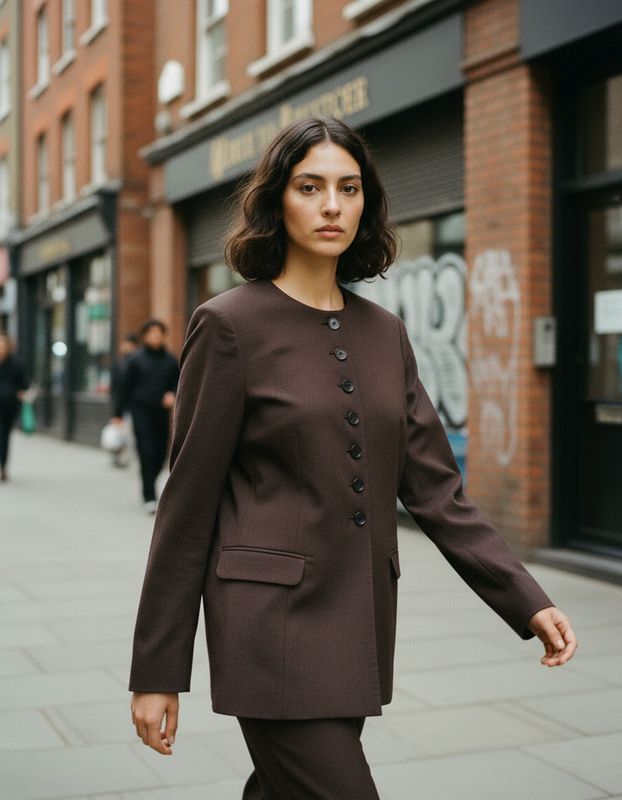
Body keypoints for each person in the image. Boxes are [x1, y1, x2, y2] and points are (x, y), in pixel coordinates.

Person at [128, 118, 578, 798]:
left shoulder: (385, 332)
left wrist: (524, 598)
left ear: (366, 203)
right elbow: (187, 507)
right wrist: (158, 669)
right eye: (310, 187)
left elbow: (436, 491)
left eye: (349, 188)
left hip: (357, 623)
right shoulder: (229, 325)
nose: (332, 205)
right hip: (269, 629)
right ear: (279, 200)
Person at [112, 320, 179, 513]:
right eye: (152, 333)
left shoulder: (170, 360)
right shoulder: (136, 360)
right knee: (146, 452)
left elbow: (179, 382)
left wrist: (172, 393)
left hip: (161, 413)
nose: (156, 336)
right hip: (140, 411)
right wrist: (118, 413)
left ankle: (150, 479)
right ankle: (149, 496)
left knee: (160, 455)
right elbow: (125, 389)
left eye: (159, 333)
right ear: (145, 336)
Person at [0, 333, 29, 482]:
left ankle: (2, 466)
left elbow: (24, 383)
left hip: (8, 406)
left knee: (4, 437)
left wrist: (21, 393)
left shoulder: (16, 364)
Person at [109, 332, 139, 467]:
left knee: (130, 435)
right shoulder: (121, 363)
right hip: (124, 405)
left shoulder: (132, 363)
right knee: (124, 433)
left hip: (133, 405)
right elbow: (116, 387)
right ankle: (123, 457)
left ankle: (131, 459)